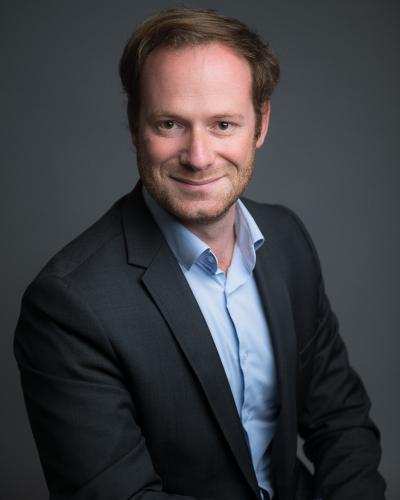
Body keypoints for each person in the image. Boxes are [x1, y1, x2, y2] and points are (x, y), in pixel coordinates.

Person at [14, 9, 385, 500]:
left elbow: (342, 422)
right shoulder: (69, 305)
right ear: (134, 124)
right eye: (169, 123)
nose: (199, 157)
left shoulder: (287, 239)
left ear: (261, 123)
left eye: (223, 124)